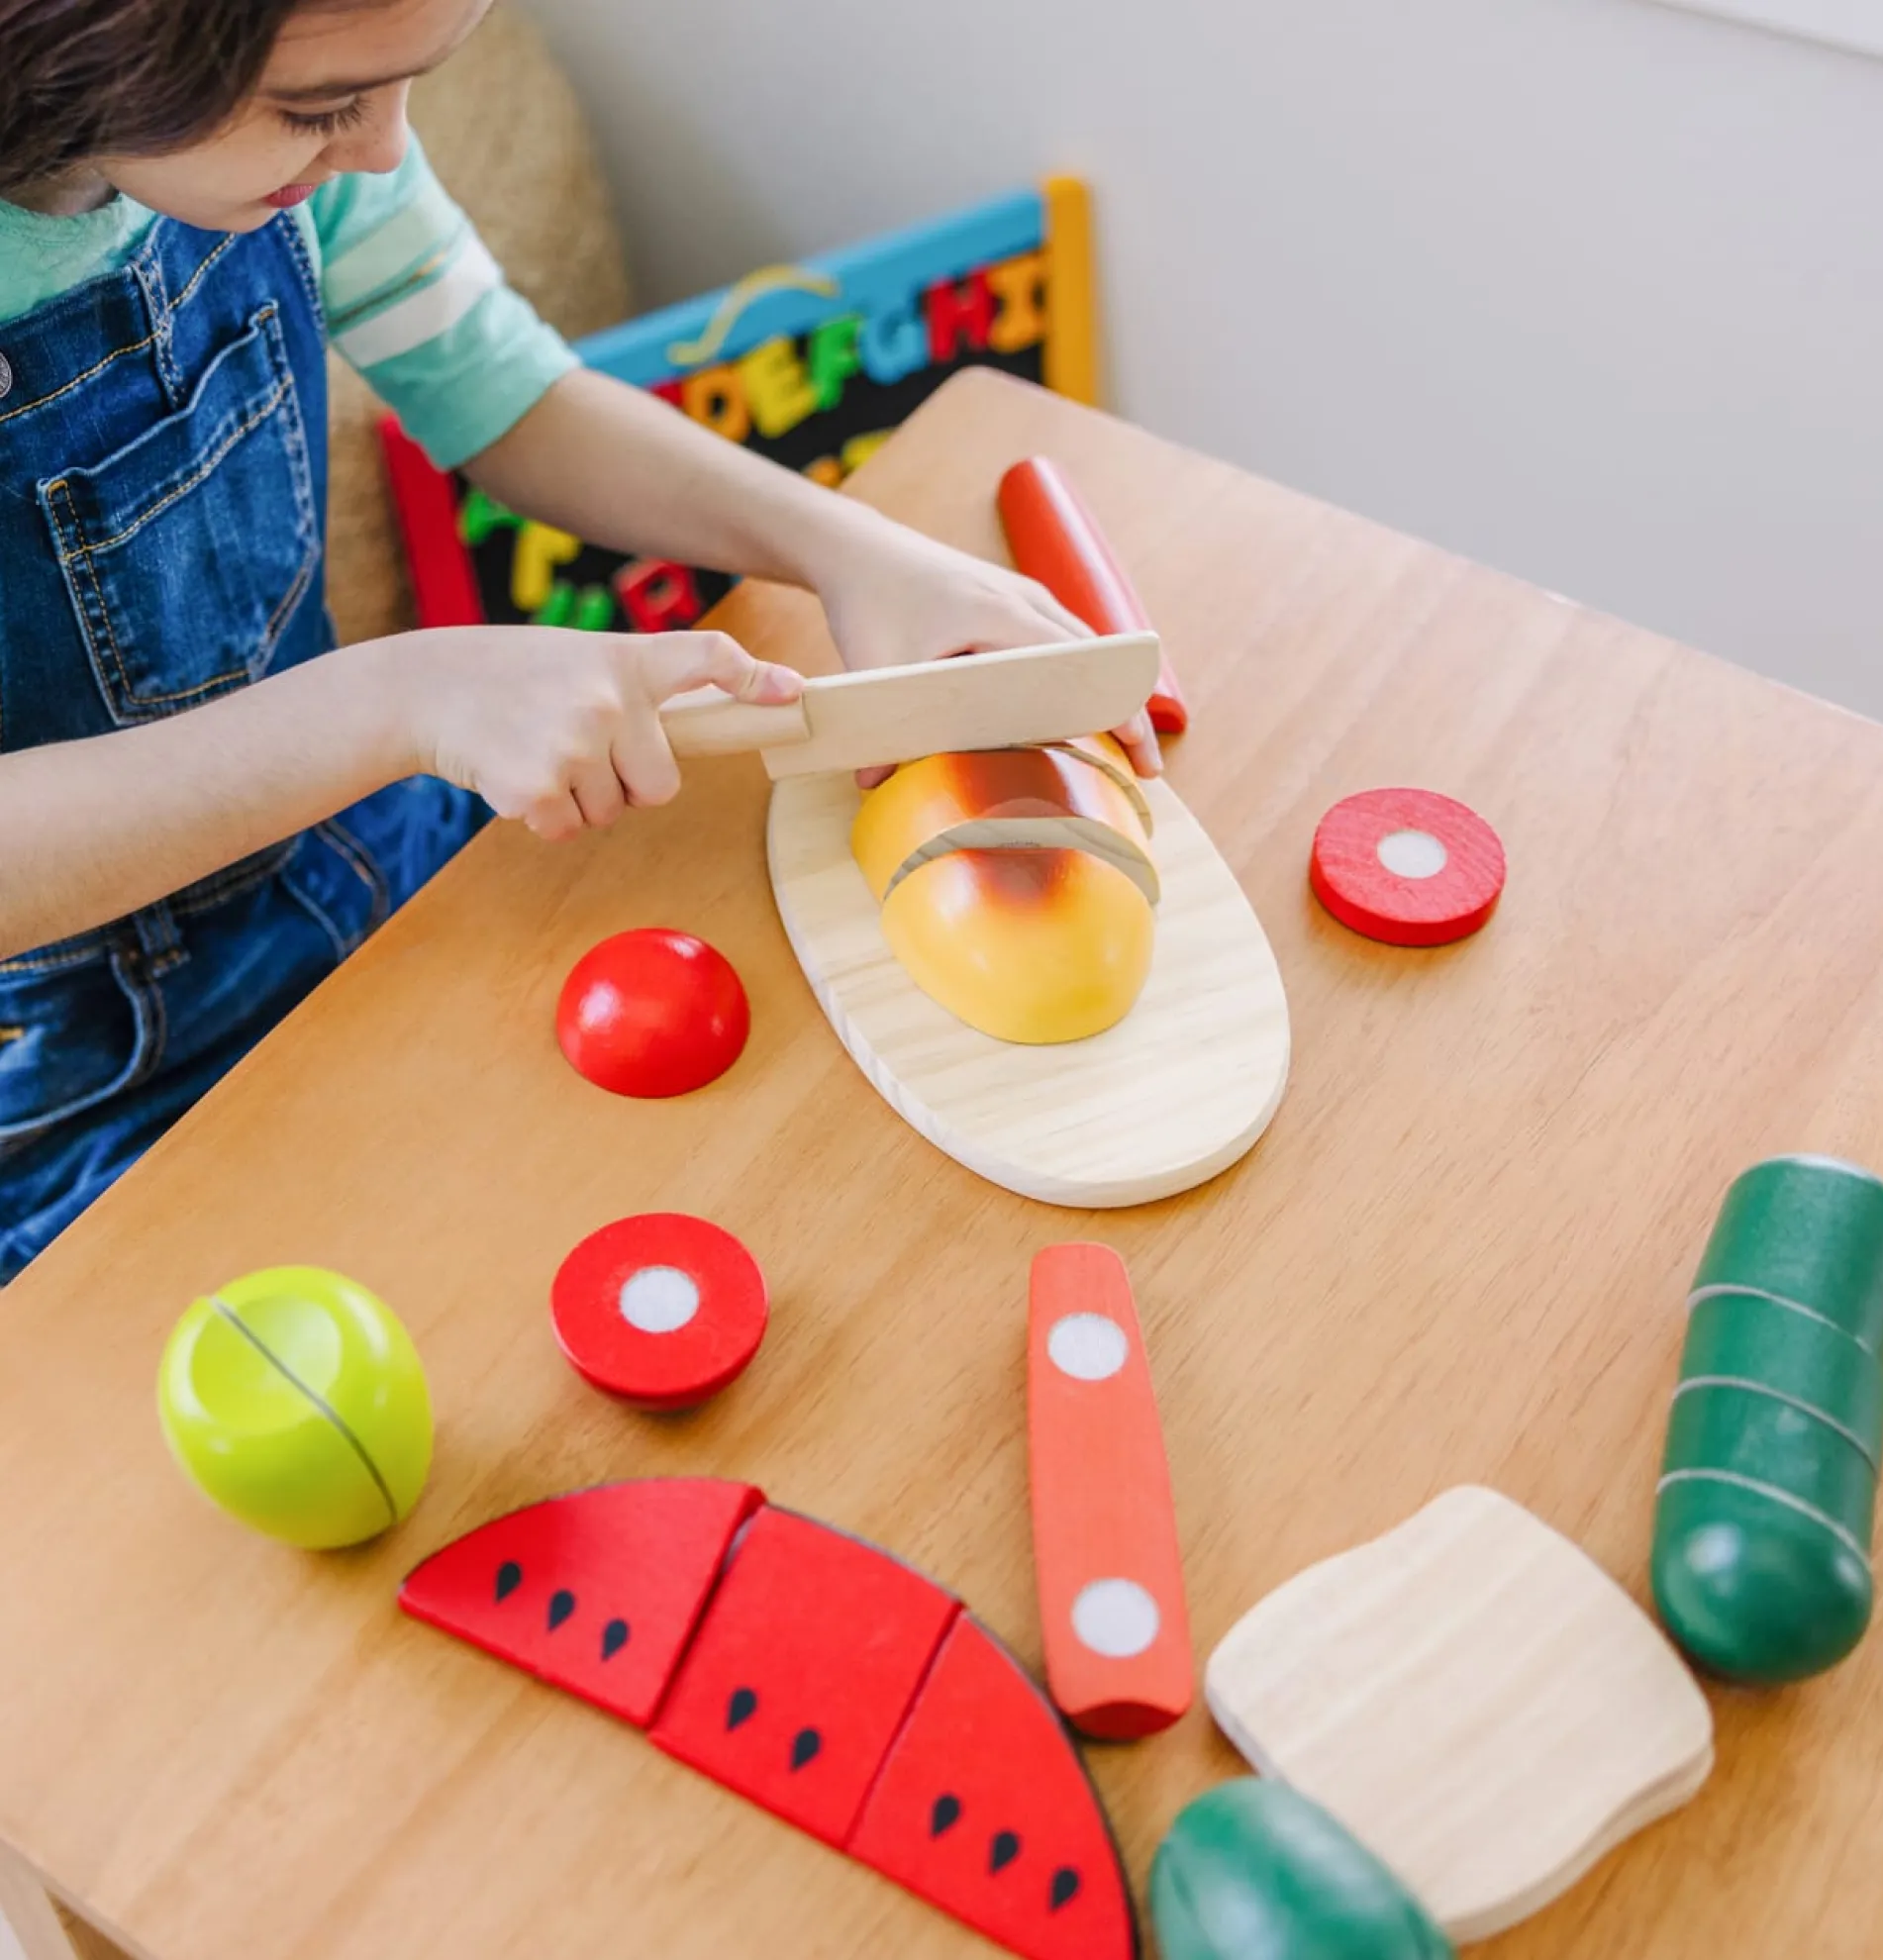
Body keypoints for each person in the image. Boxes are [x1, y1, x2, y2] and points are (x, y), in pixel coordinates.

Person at [0, 0, 1161, 1282]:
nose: (385, 150)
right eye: (320, 109)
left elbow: (508, 395)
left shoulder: (301, 155)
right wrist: (400, 702)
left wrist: (855, 551)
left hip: (361, 857)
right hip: (59, 1079)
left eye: (410, 85)